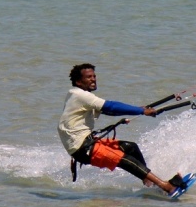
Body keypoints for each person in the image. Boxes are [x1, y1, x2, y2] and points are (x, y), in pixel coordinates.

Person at [57, 63, 186, 194]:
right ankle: (166, 186)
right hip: (82, 147)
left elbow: (110, 111)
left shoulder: (78, 94)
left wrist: (138, 110)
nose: (93, 79)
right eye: (89, 77)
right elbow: (110, 106)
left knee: (131, 147)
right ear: (79, 81)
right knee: (123, 159)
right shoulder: (80, 95)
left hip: (87, 142)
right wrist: (141, 111)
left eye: (94, 76)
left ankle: (149, 182)